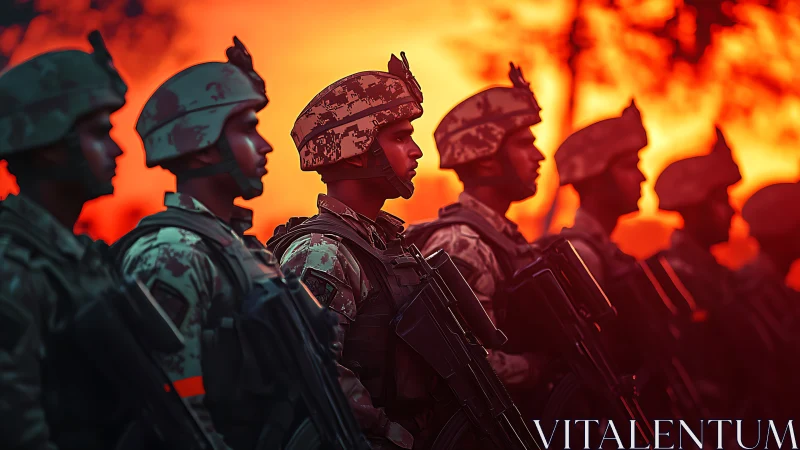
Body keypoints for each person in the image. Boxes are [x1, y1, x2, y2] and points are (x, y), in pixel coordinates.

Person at [114, 37, 366, 450]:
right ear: (200, 147)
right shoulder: (174, 253)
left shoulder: (242, 248)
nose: (265, 146)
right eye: (248, 129)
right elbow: (175, 417)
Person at [0, 31, 187, 450]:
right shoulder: (13, 269)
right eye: (100, 134)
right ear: (50, 147)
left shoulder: (82, 259)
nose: (117, 149)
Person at [403, 63, 545, 389]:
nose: (539, 156)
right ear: (485, 157)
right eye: (524, 144)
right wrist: (538, 368)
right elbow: (466, 362)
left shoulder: (503, 237)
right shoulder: (460, 243)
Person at [653, 127, 773, 420]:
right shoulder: (671, 276)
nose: (732, 210)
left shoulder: (716, 276)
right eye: (720, 200)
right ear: (694, 208)